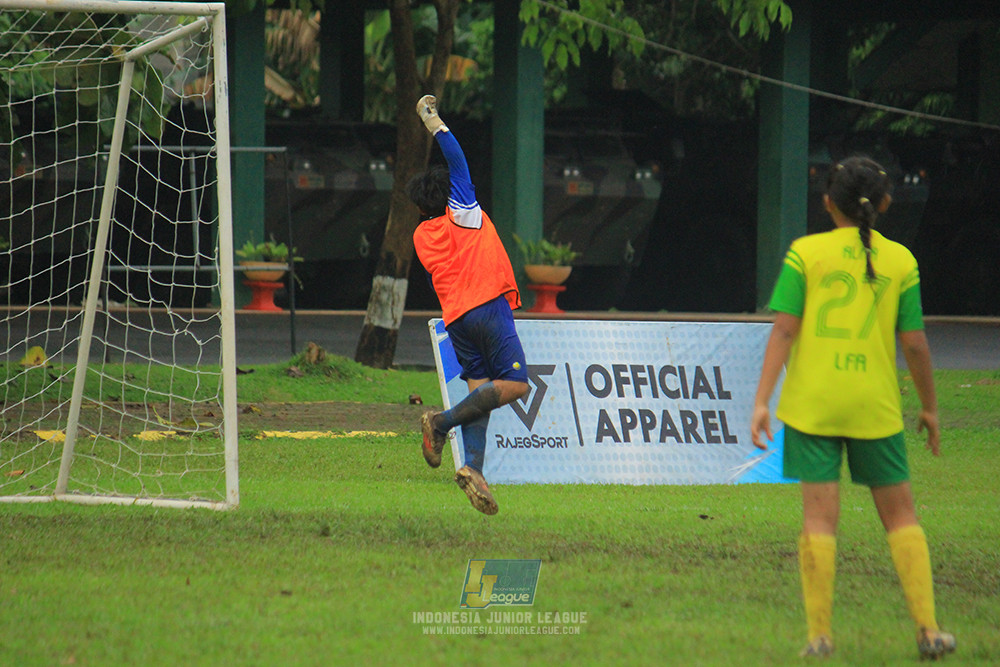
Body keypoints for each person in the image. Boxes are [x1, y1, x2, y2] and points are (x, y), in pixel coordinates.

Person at [750, 157, 956, 660]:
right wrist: (929, 407)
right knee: (902, 517)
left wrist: (761, 401)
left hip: (812, 405)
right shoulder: (901, 261)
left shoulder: (806, 254)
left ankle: (819, 637)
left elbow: (783, 329)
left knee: (819, 522)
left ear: (827, 203)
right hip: (875, 407)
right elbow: (915, 344)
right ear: (885, 204)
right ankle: (928, 631)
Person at [407, 95, 530, 516]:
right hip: (488, 308)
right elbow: (456, 160)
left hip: (456, 320)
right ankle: (439, 423)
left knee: (481, 395)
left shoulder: (422, 238)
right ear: (448, 197)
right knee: (516, 386)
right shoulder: (464, 211)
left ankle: (473, 469)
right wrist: (433, 121)